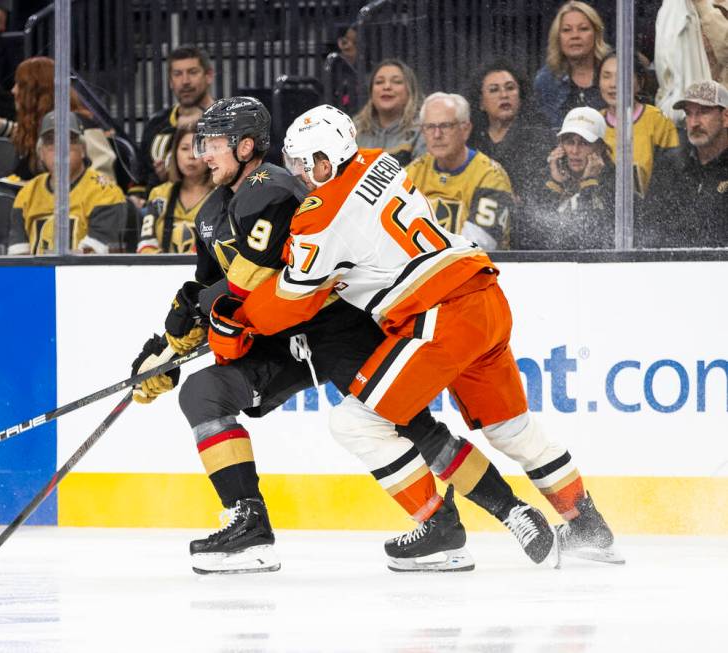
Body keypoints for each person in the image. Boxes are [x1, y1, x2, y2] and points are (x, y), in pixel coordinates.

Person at [130, 98, 556, 574]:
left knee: (413, 426)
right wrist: (164, 354)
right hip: (278, 344)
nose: (202, 155)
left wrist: (197, 325)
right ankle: (248, 527)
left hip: (337, 328)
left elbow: (241, 287)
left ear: (244, 145)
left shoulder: (272, 188)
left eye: (211, 144)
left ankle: (509, 512)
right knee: (203, 393)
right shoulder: (211, 212)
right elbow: (202, 290)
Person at [213, 103, 623, 567]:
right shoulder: (379, 162)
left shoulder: (320, 218)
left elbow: (289, 301)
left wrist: (237, 317)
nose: (301, 176)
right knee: (512, 429)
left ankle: (439, 524)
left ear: (326, 160)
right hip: (484, 297)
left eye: (304, 165)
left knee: (354, 422)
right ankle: (590, 529)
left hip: (441, 315)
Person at [0, 56, 117, 182]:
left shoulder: (82, 125)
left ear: (38, 91)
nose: (13, 91)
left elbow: (104, 176)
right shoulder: (42, 126)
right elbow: (30, 134)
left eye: (20, 85)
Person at [405, 92, 514, 251]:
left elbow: (478, 245)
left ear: (465, 129)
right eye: (430, 127)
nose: (437, 135)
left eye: (445, 126)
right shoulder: (413, 172)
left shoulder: (490, 176)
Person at [8, 111, 126, 255]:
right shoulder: (26, 194)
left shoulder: (105, 192)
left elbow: (94, 256)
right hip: (38, 276)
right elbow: (17, 257)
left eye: (68, 140)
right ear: (41, 154)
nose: (59, 149)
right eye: (50, 142)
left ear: (83, 150)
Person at [642, 80, 728, 247]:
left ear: (725, 117)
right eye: (689, 113)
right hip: (674, 266)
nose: (694, 123)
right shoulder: (669, 164)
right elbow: (649, 226)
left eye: (703, 112)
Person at [467, 59, 554, 214]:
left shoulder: (539, 136)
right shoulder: (470, 140)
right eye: (494, 90)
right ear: (481, 103)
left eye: (510, 88)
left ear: (520, 96)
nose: (504, 95)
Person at [521, 107, 614, 250]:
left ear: (600, 147)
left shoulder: (616, 183)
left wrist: (589, 182)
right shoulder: (543, 176)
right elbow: (529, 235)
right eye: (569, 142)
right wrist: (555, 182)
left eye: (584, 143)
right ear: (560, 145)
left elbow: (593, 235)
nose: (575, 151)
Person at [599, 51, 679, 199]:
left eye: (622, 76)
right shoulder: (593, 122)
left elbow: (672, 177)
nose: (613, 84)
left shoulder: (658, 121)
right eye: (606, 76)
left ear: (639, 83)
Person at [136, 45, 215, 193]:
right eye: (177, 74)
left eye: (192, 72)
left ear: (209, 75)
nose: (185, 81)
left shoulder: (227, 120)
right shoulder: (156, 124)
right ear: (171, 81)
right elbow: (141, 181)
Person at [136, 123, 214, 254]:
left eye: (199, 148)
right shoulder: (159, 194)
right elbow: (146, 244)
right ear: (174, 153)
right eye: (184, 148)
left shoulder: (223, 197)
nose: (191, 156)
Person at [534, 1, 610, 129]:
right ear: (558, 37)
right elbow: (542, 133)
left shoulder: (614, 73)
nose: (575, 36)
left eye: (583, 29)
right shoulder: (545, 80)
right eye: (566, 30)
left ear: (596, 34)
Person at [353, 59, 424, 166]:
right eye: (379, 82)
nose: (386, 87)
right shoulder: (355, 130)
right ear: (371, 92)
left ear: (410, 90)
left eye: (397, 82)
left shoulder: (423, 128)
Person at [325, 23, 360, 114]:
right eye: (344, 41)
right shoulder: (332, 67)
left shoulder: (366, 68)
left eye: (355, 42)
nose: (349, 45)